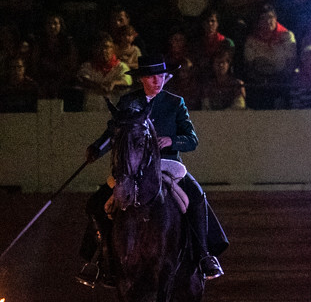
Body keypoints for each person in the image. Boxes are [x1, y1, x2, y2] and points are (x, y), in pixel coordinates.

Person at [78, 55, 227, 288]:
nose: (157, 81)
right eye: (151, 77)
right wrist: (97, 149)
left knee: (197, 196)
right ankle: (100, 260)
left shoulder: (175, 102)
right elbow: (114, 132)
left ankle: (204, 255)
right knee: (97, 202)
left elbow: (192, 140)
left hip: (167, 165)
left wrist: (171, 140)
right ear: (143, 79)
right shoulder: (128, 102)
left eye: (161, 76)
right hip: (133, 167)